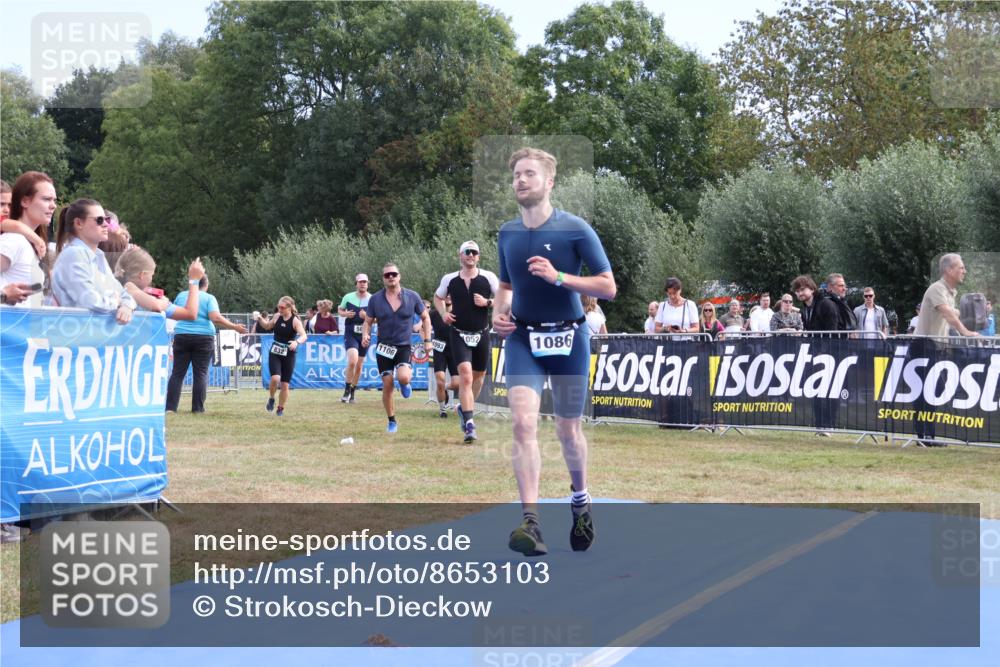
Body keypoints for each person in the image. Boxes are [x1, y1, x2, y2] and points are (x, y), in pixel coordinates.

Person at [493, 147, 615, 557]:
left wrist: (559, 276)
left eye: (529, 173)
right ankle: (531, 522)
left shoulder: (575, 229)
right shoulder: (507, 233)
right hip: (523, 339)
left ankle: (580, 501)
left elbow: (608, 287)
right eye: (516, 174)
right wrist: (498, 313)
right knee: (522, 424)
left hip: (569, 338)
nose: (521, 180)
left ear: (549, 182)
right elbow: (506, 286)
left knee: (567, 430)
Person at [434, 240, 500, 443]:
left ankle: (464, 409)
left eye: (474, 252)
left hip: (482, 333)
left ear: (478, 256)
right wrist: (444, 314)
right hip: (459, 334)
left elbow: (506, 298)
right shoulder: (449, 279)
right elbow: (437, 298)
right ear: (460, 255)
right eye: (467, 252)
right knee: (466, 376)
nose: (471, 255)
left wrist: (488, 302)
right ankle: (470, 425)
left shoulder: (488, 277)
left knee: (479, 377)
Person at [362, 263, 432, 433]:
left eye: (393, 274)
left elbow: (426, 318)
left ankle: (405, 384)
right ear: (383, 279)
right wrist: (365, 335)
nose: (391, 277)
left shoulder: (412, 296)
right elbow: (367, 322)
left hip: (403, 346)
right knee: (387, 384)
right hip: (383, 347)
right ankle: (392, 420)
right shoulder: (375, 299)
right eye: (387, 275)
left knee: (404, 378)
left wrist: (427, 340)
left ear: (399, 276)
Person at [165, 273, 247, 413]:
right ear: (206, 285)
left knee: (177, 373)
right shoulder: (209, 298)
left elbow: (174, 314)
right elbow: (215, 317)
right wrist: (234, 327)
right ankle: (197, 409)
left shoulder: (181, 296)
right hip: (204, 337)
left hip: (182, 335)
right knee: (200, 373)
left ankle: (170, 408)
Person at [50, 199, 136, 322]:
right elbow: (89, 301)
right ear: (79, 223)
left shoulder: (98, 256)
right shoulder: (73, 254)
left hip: (89, 331)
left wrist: (127, 306)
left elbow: (123, 293)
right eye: (99, 220)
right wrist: (116, 302)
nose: (106, 224)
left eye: (107, 220)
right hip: (73, 330)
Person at [1, 172, 56, 308]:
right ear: (25, 201)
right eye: (46, 199)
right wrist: (3, 295)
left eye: (54, 200)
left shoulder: (26, 242)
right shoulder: (14, 240)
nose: (53, 205)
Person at [114, 246, 204, 320]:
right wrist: (194, 280)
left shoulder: (114, 286)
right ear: (142, 275)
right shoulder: (129, 287)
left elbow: (190, 314)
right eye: (151, 275)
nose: (152, 279)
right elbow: (190, 314)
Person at [254, 296, 308, 416]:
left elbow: (304, 335)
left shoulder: (295, 321)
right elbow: (267, 326)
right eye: (278, 307)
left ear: (289, 308)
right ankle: (271, 398)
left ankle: (280, 409)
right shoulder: (277, 316)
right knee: (275, 378)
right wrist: (260, 319)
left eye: (282, 307)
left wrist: (296, 342)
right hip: (275, 352)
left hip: (289, 354)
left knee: (285, 384)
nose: (280, 309)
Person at [916, 254, 979, 338]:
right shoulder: (937, 288)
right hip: (924, 343)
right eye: (961, 268)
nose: (965, 271)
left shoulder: (950, 291)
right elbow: (948, 314)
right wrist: (965, 332)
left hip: (937, 343)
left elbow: (951, 318)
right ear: (949, 270)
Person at [338, 274, 372, 403]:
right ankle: (346, 390)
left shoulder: (372, 299)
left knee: (359, 365)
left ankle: (353, 391)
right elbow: (340, 310)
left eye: (364, 282)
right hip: (350, 332)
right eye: (360, 282)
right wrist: (345, 314)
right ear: (356, 284)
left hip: (365, 334)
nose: (362, 284)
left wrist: (366, 317)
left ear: (367, 284)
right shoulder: (348, 297)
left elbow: (378, 319)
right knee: (352, 361)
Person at [428, 297, 460, 417]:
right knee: (440, 380)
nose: (448, 297)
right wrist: (426, 340)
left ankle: (444, 387)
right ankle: (443, 409)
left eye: (450, 294)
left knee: (456, 384)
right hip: (439, 350)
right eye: (446, 295)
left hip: (455, 350)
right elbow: (422, 327)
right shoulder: (434, 313)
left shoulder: (459, 312)